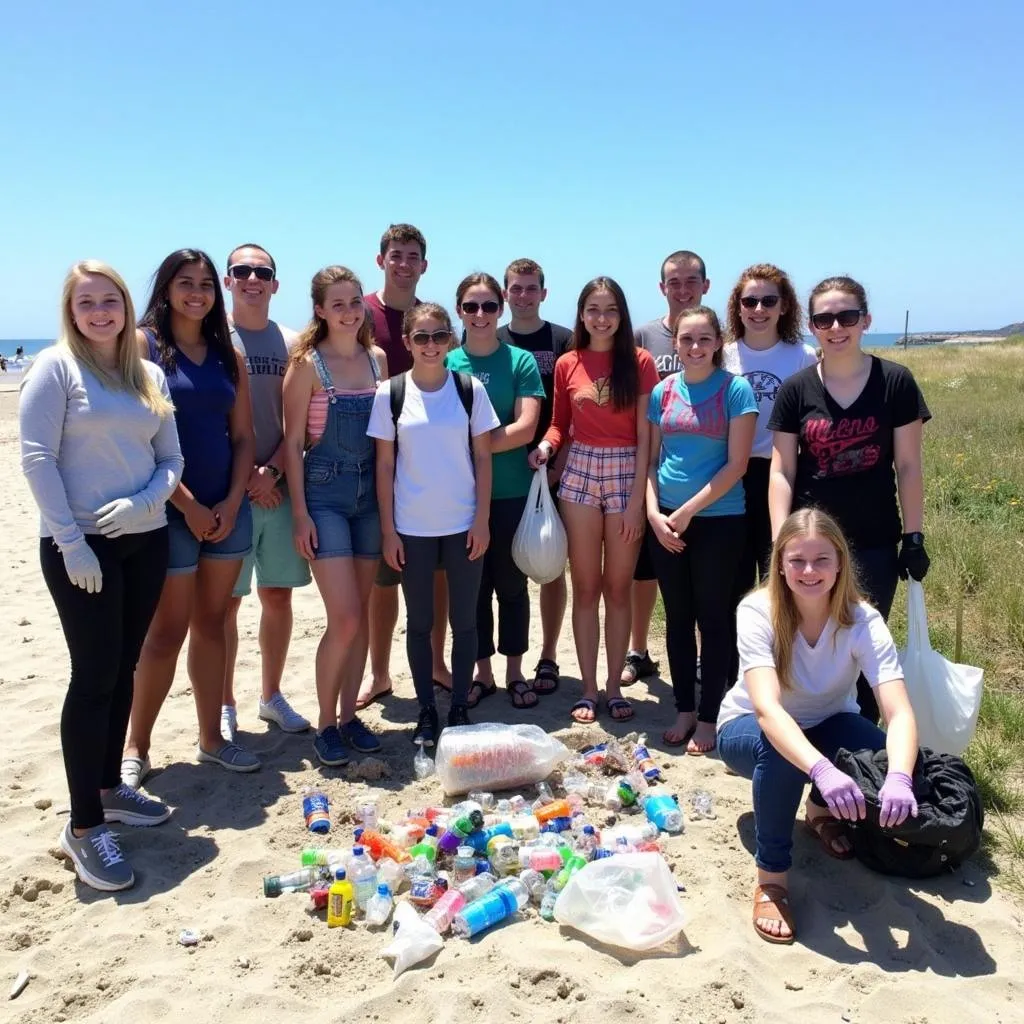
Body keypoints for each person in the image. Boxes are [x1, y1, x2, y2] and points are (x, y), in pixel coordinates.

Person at [20, 261, 183, 891]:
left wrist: (147, 502)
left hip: (143, 542)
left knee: (123, 668)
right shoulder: (55, 369)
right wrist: (70, 542)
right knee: (91, 677)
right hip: (80, 546)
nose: (99, 311)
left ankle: (110, 786)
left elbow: (171, 458)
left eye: (109, 300)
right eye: (86, 302)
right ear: (71, 309)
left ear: (125, 307)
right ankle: (83, 827)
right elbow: (35, 458)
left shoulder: (147, 375)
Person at [717, 508, 919, 944]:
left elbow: (899, 711)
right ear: (780, 564)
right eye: (797, 560)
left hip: (828, 722)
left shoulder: (864, 619)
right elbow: (768, 710)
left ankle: (819, 811)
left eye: (821, 559)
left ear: (841, 562)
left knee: (881, 755)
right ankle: (771, 879)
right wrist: (823, 770)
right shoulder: (757, 610)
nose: (809, 571)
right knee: (783, 751)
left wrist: (900, 777)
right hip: (746, 728)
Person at [768, 276, 931, 722]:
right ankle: (808, 736)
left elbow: (909, 466)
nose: (836, 326)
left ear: (866, 320)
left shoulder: (895, 382)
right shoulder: (796, 389)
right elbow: (781, 470)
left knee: (865, 647)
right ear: (812, 327)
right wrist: (781, 540)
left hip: (874, 539)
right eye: (824, 318)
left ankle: (862, 746)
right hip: (810, 546)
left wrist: (913, 536)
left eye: (847, 316)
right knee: (809, 643)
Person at [123, 249, 257, 786]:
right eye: (186, 282)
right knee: (165, 632)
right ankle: (137, 747)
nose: (197, 292)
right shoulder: (143, 345)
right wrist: (190, 506)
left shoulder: (229, 355)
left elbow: (243, 436)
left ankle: (210, 739)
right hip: (167, 509)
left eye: (205, 284)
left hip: (227, 508)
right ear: (167, 287)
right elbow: (138, 439)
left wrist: (227, 502)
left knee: (212, 624)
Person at [367, 303, 499, 746]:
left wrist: (481, 519)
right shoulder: (390, 393)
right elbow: (384, 465)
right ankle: (426, 710)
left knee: (465, 622)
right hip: (411, 527)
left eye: (439, 336)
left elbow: (483, 456)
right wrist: (388, 530)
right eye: (420, 337)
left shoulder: (469, 390)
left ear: (451, 340)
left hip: (462, 523)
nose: (430, 345)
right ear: (406, 342)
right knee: (419, 623)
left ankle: (459, 704)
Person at [529, 277, 659, 723]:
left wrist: (638, 500)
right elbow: (558, 424)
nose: (601, 318)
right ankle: (587, 688)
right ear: (581, 315)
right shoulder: (567, 362)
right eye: (593, 309)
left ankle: (611, 687)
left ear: (621, 316)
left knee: (617, 588)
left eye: (610, 310)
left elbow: (645, 435)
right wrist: (545, 448)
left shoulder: (639, 362)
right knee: (585, 587)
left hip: (627, 472)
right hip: (580, 471)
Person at [283, 266, 389, 766]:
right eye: (338, 303)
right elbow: (290, 445)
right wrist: (300, 515)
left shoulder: (377, 361)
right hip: (323, 495)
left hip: (370, 495)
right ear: (320, 310)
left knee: (362, 615)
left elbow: (387, 441)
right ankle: (325, 722)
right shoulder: (306, 364)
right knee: (344, 617)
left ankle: (349, 716)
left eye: (355, 302)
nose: (350, 311)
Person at [645, 307, 757, 753]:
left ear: (718, 342)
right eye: (687, 339)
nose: (695, 347)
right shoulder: (662, 391)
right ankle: (684, 708)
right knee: (677, 619)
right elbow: (651, 461)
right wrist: (654, 513)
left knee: (713, 621)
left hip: (720, 521)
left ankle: (710, 717)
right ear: (675, 343)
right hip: (667, 521)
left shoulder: (736, 391)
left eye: (704, 339)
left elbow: (737, 465)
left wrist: (689, 510)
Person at [360, 224, 453, 709]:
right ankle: (378, 673)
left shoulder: (431, 319)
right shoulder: (364, 313)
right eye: (396, 254)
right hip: (376, 455)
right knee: (383, 576)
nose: (403, 263)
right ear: (381, 261)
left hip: (428, 462)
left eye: (412, 256)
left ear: (424, 264)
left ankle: (436, 662)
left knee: (434, 574)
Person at [222, 243, 311, 743]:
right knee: (226, 605)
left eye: (263, 272)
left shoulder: (295, 344)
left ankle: (271, 695)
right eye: (242, 271)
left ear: (276, 284)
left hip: (278, 487)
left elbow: (304, 419)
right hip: (229, 492)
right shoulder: (213, 339)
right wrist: (244, 479)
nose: (252, 279)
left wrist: (272, 472)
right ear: (228, 279)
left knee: (276, 596)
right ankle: (224, 702)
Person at [448, 272, 545, 708]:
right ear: (459, 311)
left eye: (489, 306)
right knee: (473, 590)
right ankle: (482, 673)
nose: (481, 314)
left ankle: (514, 671)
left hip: (511, 491)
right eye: (471, 306)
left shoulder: (520, 361)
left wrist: (474, 445)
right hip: (457, 496)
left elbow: (526, 428)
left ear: (501, 309)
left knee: (511, 585)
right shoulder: (447, 362)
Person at [624, 250, 711, 687]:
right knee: (645, 568)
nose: (682, 289)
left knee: (698, 574)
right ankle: (638, 651)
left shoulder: (717, 338)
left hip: (703, 473)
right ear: (662, 288)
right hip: (652, 465)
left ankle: (697, 658)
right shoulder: (642, 336)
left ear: (705, 286)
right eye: (673, 282)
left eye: (690, 281)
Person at [497, 258, 573, 695]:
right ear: (505, 293)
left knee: (550, 566)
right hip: (506, 468)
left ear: (544, 293)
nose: (522, 295)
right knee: (507, 570)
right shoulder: (493, 337)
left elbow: (572, 408)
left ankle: (547, 656)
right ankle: (511, 663)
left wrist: (558, 462)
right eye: (515, 288)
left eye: (531, 288)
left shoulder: (563, 339)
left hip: (554, 467)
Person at [724, 264, 818, 584]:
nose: (759, 309)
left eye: (769, 301)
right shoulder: (723, 356)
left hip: (783, 473)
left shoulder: (803, 356)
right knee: (733, 577)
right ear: (738, 307)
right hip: (731, 475)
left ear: (785, 305)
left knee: (776, 574)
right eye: (750, 302)